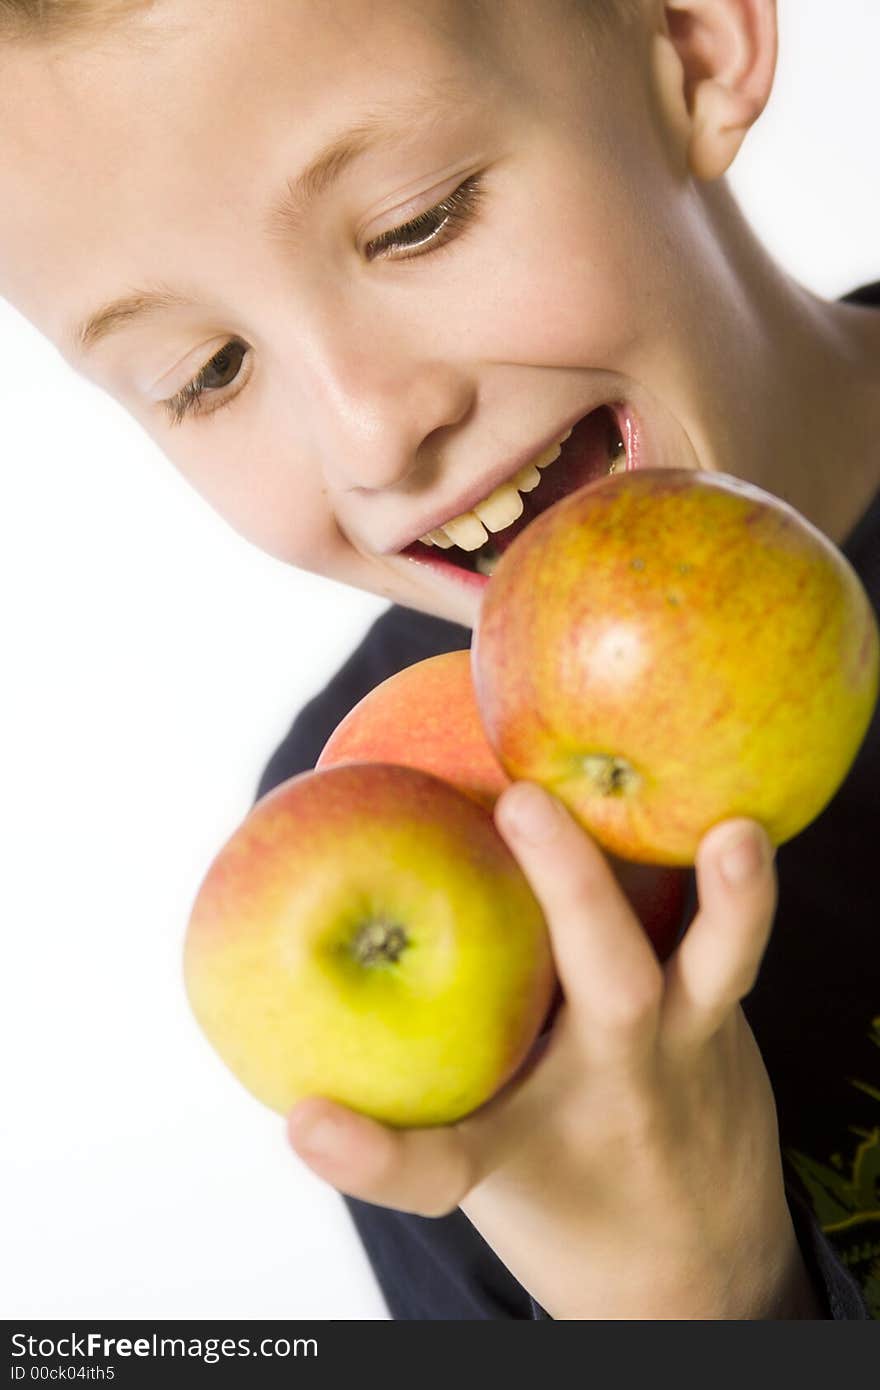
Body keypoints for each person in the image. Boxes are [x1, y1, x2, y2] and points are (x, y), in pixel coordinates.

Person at [0, 0, 877, 1319]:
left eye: (417, 221)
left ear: (693, 43)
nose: (368, 434)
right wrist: (689, 1295)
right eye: (210, 368)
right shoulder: (375, 837)